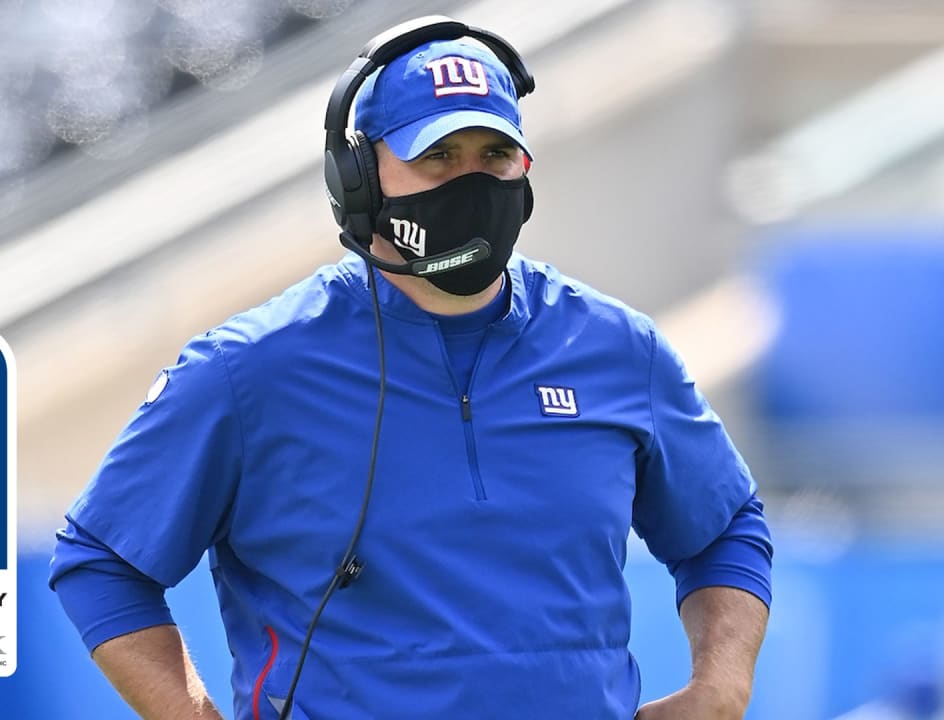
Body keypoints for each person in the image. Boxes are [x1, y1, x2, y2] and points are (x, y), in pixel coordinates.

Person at [51, 17, 773, 720]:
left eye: (493, 155)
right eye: (437, 157)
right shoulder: (249, 370)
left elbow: (724, 526)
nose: (471, 180)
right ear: (359, 179)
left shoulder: (619, 349)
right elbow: (101, 560)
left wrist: (721, 686)